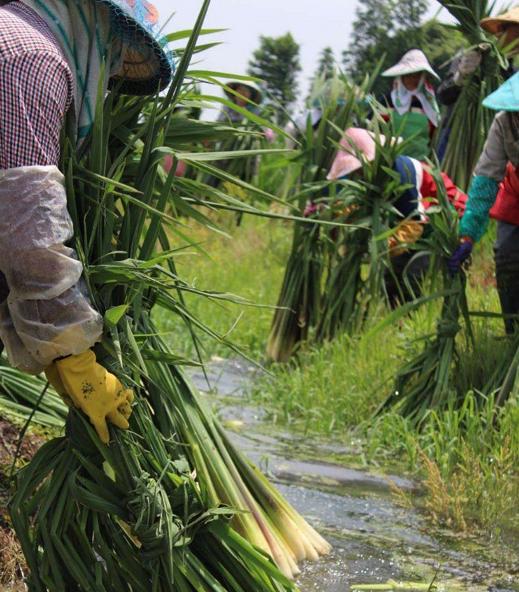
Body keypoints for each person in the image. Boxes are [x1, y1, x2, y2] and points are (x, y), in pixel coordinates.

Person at [0, 0, 172, 443]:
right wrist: (73, 356)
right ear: (90, 16)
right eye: (115, 42)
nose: (114, 60)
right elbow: (25, 229)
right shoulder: (31, 57)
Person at [327, 128, 467, 307]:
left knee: (411, 273)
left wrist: (380, 249)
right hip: (413, 221)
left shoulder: (401, 173)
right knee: (390, 279)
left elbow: (414, 224)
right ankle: (397, 320)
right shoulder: (370, 178)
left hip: (444, 219)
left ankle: (410, 317)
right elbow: (358, 207)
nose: (358, 174)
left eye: (361, 168)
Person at [448, 72, 519, 334]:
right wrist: (468, 235)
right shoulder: (503, 123)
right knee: (507, 259)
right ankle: (514, 332)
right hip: (516, 195)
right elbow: (486, 180)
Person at [437, 7, 519, 160]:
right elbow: (443, 96)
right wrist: (460, 76)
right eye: (518, 33)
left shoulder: (514, 75)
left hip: (494, 154)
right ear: (501, 29)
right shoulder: (471, 56)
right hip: (455, 147)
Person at [380, 49, 441, 161]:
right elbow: (374, 128)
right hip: (390, 162)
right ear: (401, 76)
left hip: (420, 164)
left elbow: (435, 136)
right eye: (408, 75)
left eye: (417, 75)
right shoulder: (388, 100)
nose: (413, 79)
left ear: (423, 77)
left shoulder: (428, 104)